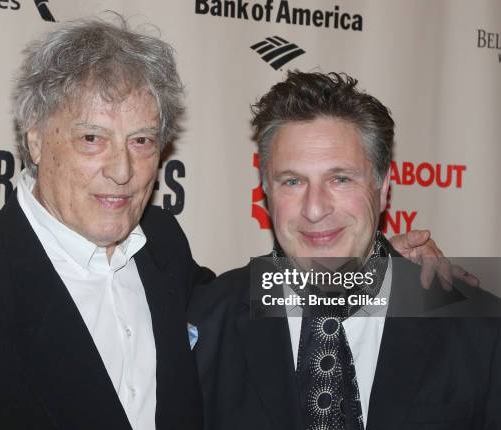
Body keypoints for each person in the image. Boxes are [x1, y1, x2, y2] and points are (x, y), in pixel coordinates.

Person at [0, 17, 475, 430]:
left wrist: (377, 268)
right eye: (93, 138)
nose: (121, 169)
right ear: (37, 139)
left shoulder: (161, 248)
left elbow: (252, 299)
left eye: (142, 140)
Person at [190, 70, 501, 430]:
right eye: (292, 181)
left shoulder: (480, 327)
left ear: (383, 187)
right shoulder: (208, 322)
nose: (315, 208)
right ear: (266, 192)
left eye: (340, 179)